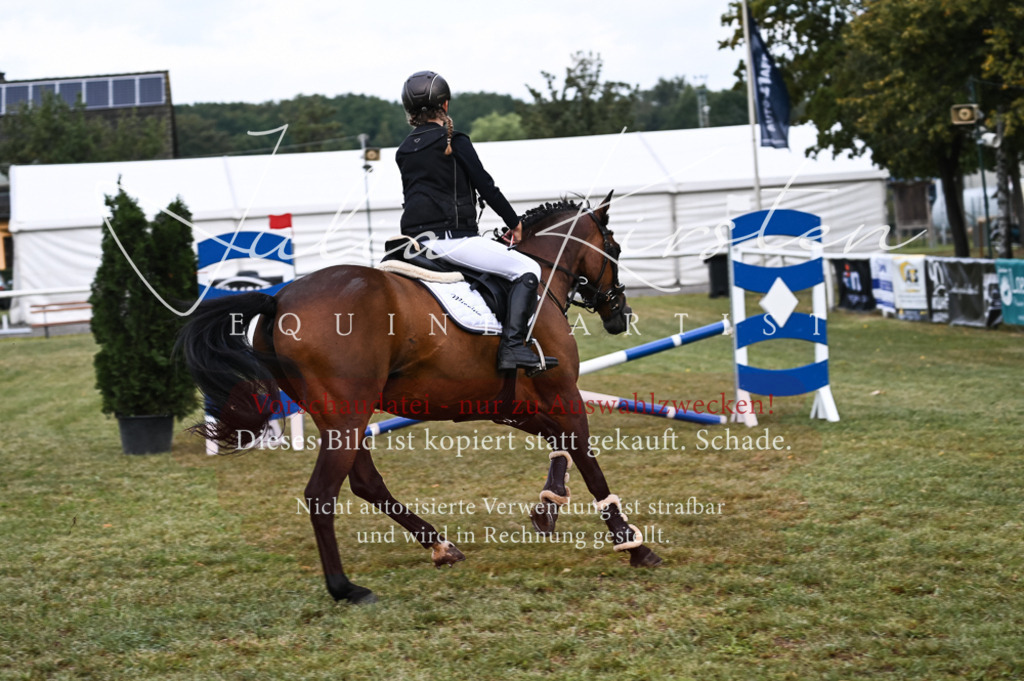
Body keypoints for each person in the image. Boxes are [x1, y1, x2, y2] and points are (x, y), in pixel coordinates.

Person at [396, 70, 552, 372]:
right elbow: (485, 186)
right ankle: (512, 347)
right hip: (452, 240)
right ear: (445, 105)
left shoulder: (404, 150)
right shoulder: (454, 140)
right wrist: (514, 222)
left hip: (414, 243)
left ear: (410, 111)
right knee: (528, 269)